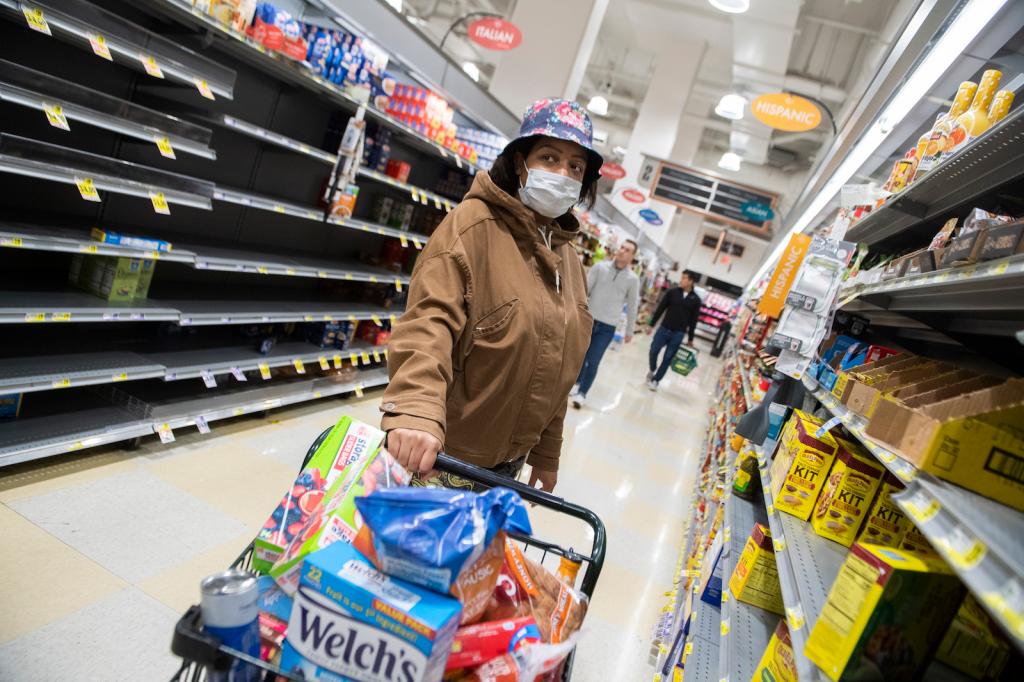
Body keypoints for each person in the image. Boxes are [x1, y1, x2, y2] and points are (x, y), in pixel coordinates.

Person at [379, 98, 603, 493]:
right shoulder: (471, 227)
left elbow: (560, 363)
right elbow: (429, 323)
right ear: (519, 162)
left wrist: (546, 452)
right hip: (440, 456)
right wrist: (415, 408)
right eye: (549, 157)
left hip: (506, 466)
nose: (562, 174)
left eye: (575, 167)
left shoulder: (568, 259)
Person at [571, 240, 640, 409]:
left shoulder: (633, 280)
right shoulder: (600, 267)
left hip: (608, 326)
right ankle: (576, 383)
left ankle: (582, 393)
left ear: (632, 256)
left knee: (593, 360)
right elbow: (584, 290)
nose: (622, 250)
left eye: (627, 250)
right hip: (588, 320)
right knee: (580, 355)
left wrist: (630, 331)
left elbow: (632, 306)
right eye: (622, 247)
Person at [646, 271, 701, 391]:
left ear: (691, 281)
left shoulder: (696, 300)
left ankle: (656, 380)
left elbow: (693, 321)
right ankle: (652, 368)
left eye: (684, 278)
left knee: (668, 358)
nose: (681, 280)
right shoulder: (672, 293)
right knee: (653, 350)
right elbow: (660, 309)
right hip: (664, 328)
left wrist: (690, 339)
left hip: (678, 333)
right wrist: (651, 324)